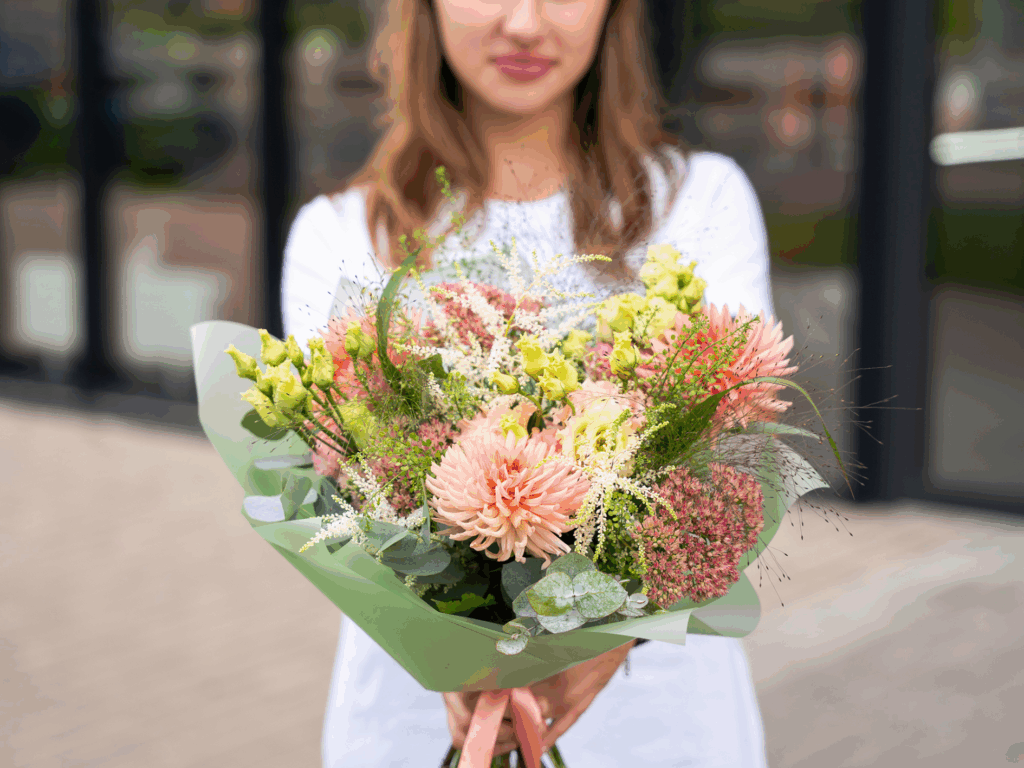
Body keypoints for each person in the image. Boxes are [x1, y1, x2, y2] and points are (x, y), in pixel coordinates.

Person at [281, 0, 772, 765]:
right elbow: (341, 484)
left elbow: (734, 455)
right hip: (415, 715)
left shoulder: (697, 202)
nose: (524, 23)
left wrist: (608, 642)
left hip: (657, 719)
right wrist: (453, 651)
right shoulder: (343, 233)